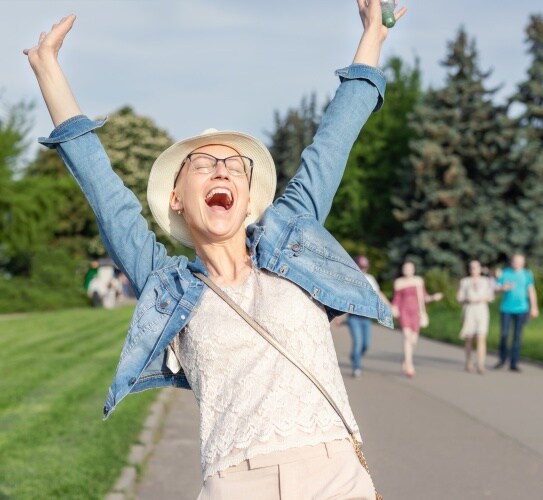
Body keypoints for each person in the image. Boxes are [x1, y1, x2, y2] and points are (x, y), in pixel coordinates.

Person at [24, 3, 406, 498]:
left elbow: (331, 142)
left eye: (234, 164)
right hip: (234, 483)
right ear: (178, 199)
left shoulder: (294, 239)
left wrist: (372, 38)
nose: (223, 169)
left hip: (333, 474)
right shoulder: (167, 285)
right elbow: (107, 196)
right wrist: (49, 69)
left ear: (249, 197)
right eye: (203, 164)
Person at [391, 261, 443, 378]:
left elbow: (424, 297)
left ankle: (406, 360)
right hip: (404, 312)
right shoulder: (399, 282)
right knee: (407, 337)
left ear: (414, 269)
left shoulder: (418, 281)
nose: (407, 270)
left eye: (410, 268)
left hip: (416, 313)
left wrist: (434, 297)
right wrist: (394, 308)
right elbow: (397, 299)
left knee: (413, 340)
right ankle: (409, 365)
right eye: (405, 267)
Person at [341, 255, 389, 378]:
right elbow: (345, 298)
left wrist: (388, 306)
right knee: (357, 343)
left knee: (366, 344)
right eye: (361, 267)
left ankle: (354, 356)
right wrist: (339, 316)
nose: (363, 270)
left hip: (366, 317)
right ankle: (357, 367)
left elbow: (378, 293)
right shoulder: (350, 279)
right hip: (353, 317)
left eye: (365, 267)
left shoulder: (370, 279)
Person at [494, 253, 539, 372]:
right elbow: (496, 290)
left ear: (523, 263)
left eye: (520, 262)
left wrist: (534, 307)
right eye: (515, 261)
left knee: (517, 336)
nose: (517, 264)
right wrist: (503, 288)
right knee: (504, 334)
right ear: (512, 262)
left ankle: (514, 363)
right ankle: (502, 359)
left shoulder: (527, 274)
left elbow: (531, 290)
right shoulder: (505, 273)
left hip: (522, 309)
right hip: (506, 309)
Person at [457, 260, 494, 374]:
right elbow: (459, 298)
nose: (474, 269)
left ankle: (481, 364)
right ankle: (468, 361)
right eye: (472, 267)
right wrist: (467, 299)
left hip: (481, 309)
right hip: (469, 310)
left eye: (476, 267)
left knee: (481, 336)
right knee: (469, 337)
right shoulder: (465, 282)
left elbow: (491, 296)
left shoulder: (485, 281)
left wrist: (481, 299)